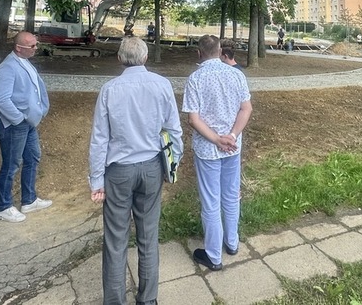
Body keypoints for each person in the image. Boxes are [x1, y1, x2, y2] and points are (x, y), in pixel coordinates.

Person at [89, 36, 183, 305]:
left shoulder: (109, 89)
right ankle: (148, 299)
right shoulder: (162, 85)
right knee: (148, 235)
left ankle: (115, 300)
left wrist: (97, 180)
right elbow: (174, 130)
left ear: (119, 59)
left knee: (115, 240)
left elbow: (99, 139)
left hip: (118, 171)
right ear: (144, 58)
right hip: (152, 167)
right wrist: (172, 165)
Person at [182, 35, 252, 271]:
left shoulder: (196, 78)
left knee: (211, 201)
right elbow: (246, 108)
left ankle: (213, 254)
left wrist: (216, 139)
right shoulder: (236, 74)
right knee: (231, 195)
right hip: (232, 147)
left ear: (198, 53)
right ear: (220, 50)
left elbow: (193, 118)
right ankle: (232, 242)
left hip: (208, 150)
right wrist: (231, 136)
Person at [0, 31, 52, 223]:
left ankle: (29, 200)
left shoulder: (24, 62)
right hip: (14, 125)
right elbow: (2, 99)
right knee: (11, 165)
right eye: (32, 46)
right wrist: (19, 119)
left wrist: (40, 110)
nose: (36, 48)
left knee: (32, 158)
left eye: (36, 44)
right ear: (19, 47)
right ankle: (3, 206)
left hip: (27, 124)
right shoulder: (8, 68)